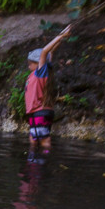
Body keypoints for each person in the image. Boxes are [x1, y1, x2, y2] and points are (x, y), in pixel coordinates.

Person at [25, 24, 72, 158]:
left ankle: (44, 162)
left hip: (40, 111)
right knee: (33, 139)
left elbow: (45, 52)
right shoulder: (37, 73)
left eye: (31, 63)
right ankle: (35, 163)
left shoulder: (41, 72)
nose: (28, 65)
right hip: (36, 112)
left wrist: (60, 36)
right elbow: (51, 52)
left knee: (44, 140)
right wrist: (63, 35)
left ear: (38, 63)